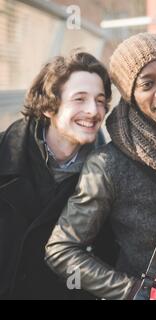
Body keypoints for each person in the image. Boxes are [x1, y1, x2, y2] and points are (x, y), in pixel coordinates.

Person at [45, 33, 156, 300]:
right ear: (130, 95)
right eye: (147, 83)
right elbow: (62, 250)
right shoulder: (107, 165)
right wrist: (133, 291)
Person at [0, 51, 111, 299]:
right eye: (80, 99)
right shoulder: (5, 155)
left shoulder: (108, 174)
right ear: (50, 106)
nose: (94, 111)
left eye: (100, 100)